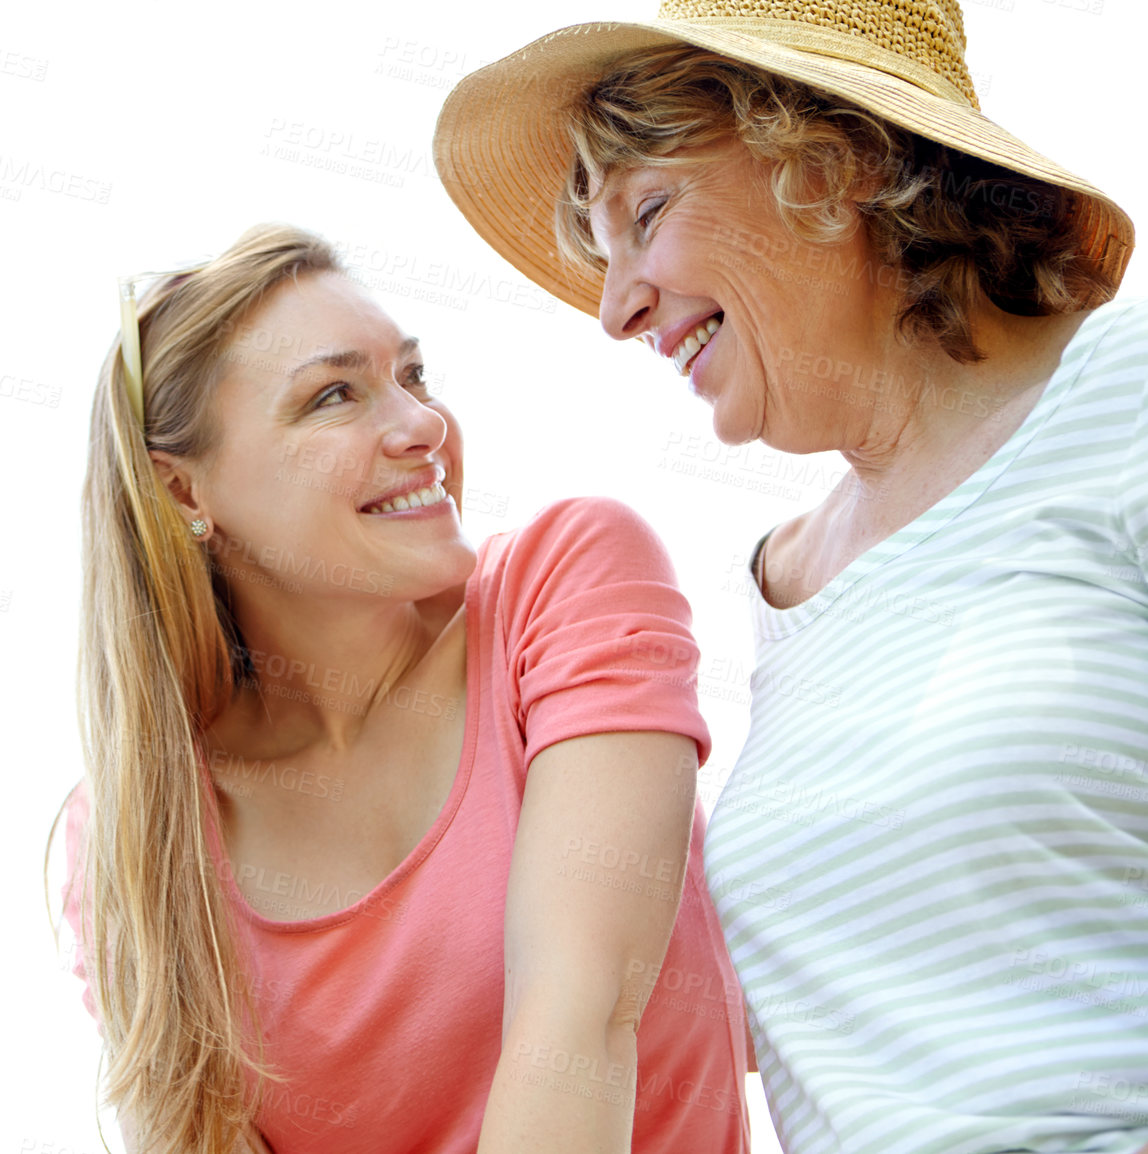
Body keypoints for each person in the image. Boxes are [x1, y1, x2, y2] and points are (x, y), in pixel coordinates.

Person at [434, 3, 1148, 1153]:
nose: (615, 309)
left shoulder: (1123, 395)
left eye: (648, 213)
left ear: (835, 160)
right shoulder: (790, 584)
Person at [50, 223, 750, 1154]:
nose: (424, 426)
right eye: (334, 395)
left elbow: (578, 1024)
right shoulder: (132, 832)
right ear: (183, 494)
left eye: (413, 377)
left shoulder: (563, 584)